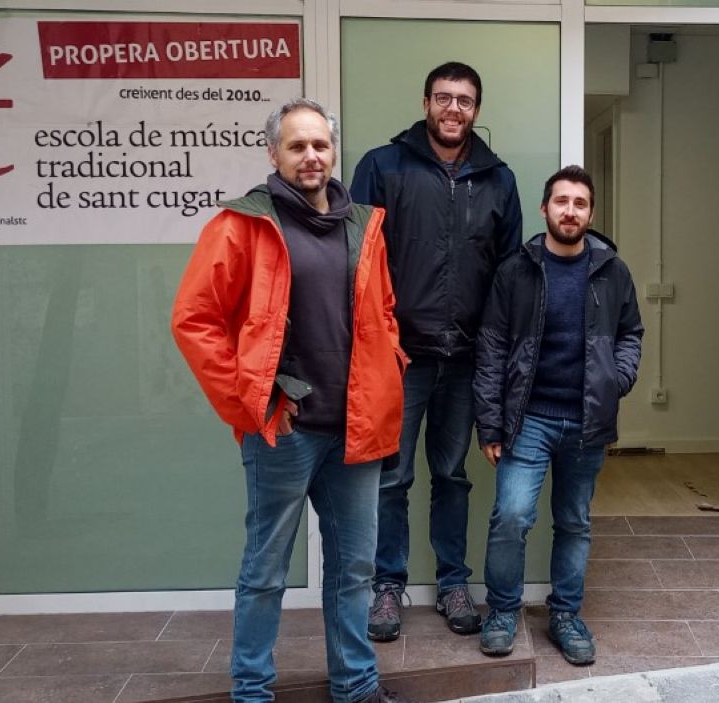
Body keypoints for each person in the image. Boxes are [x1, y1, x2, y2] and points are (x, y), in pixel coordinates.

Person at [171, 98, 406, 703]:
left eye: (320, 145)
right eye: (297, 146)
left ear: (334, 151)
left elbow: (381, 314)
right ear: (273, 152)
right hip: (283, 431)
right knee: (266, 573)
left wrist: (390, 371)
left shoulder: (364, 224)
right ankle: (251, 691)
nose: (311, 156)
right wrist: (252, 398)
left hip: (354, 430)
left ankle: (356, 686)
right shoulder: (242, 224)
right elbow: (195, 320)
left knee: (354, 572)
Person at [350, 61, 522, 640]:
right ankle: (386, 589)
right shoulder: (383, 166)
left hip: (467, 359)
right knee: (391, 478)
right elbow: (359, 260)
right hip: (400, 356)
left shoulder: (498, 179)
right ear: (426, 101)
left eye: (465, 101)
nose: (454, 110)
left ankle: (453, 584)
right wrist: (378, 338)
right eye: (444, 98)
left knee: (451, 475)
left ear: (477, 109)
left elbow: (507, 277)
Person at [472, 166, 643, 665]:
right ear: (545, 208)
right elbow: (492, 348)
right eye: (562, 201)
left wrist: (618, 379)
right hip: (528, 420)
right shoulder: (516, 270)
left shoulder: (613, 270)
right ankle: (503, 612)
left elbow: (631, 333)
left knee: (573, 522)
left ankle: (566, 614)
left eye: (580, 203)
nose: (571, 211)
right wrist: (490, 422)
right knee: (512, 516)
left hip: (587, 422)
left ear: (590, 212)